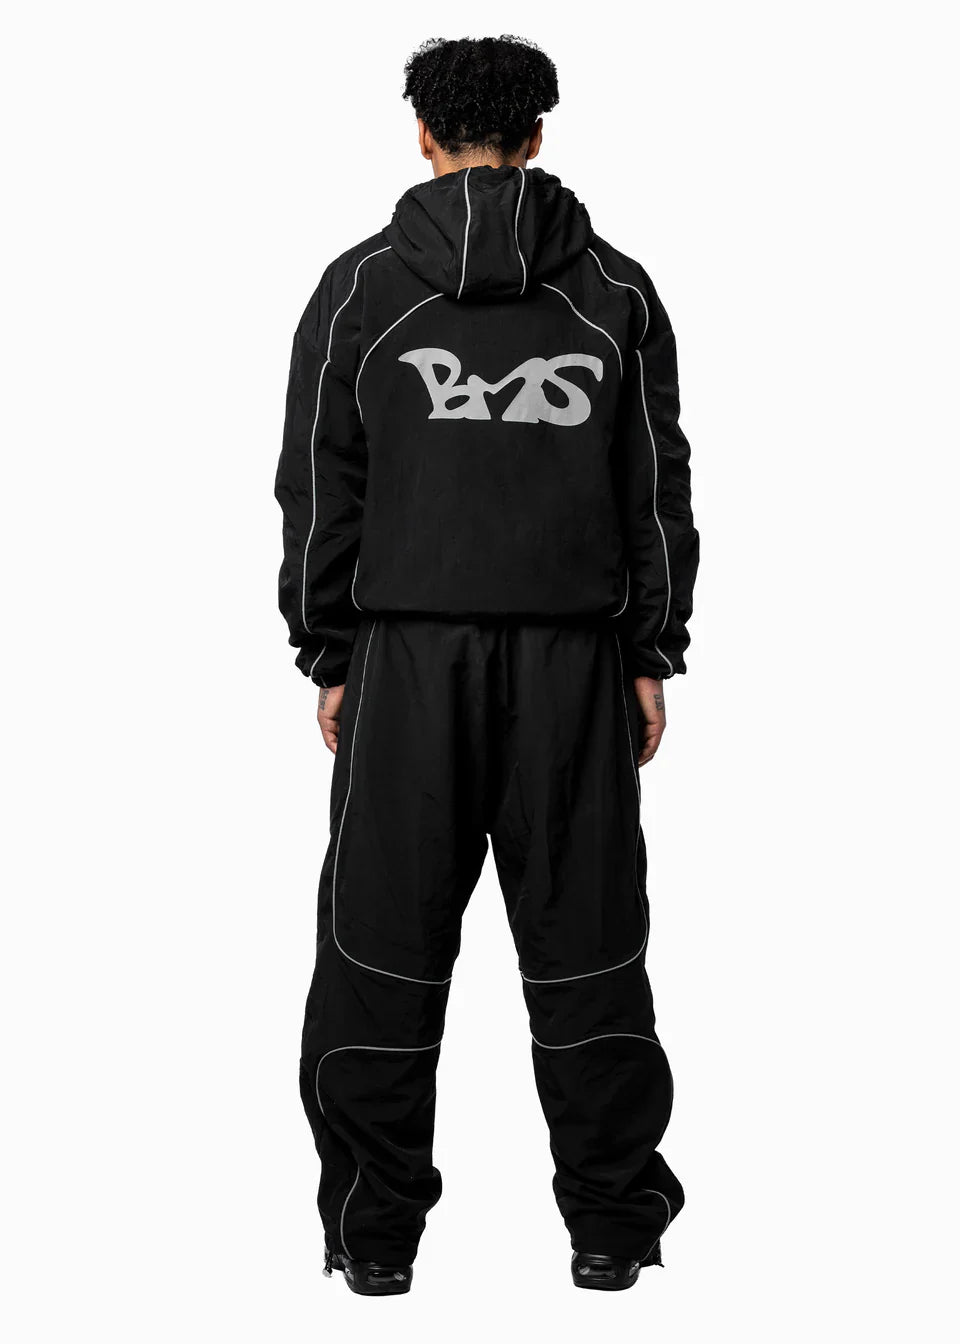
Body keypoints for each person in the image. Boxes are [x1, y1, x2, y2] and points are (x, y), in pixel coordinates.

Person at [275, 34, 699, 1296]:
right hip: (574, 666)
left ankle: (373, 1242)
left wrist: (331, 652)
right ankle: (610, 1230)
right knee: (590, 947)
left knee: (379, 950)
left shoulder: (360, 291)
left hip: (407, 665)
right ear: (538, 135)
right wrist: (649, 651)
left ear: (422, 134)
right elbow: (655, 489)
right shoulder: (615, 293)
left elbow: (318, 488)